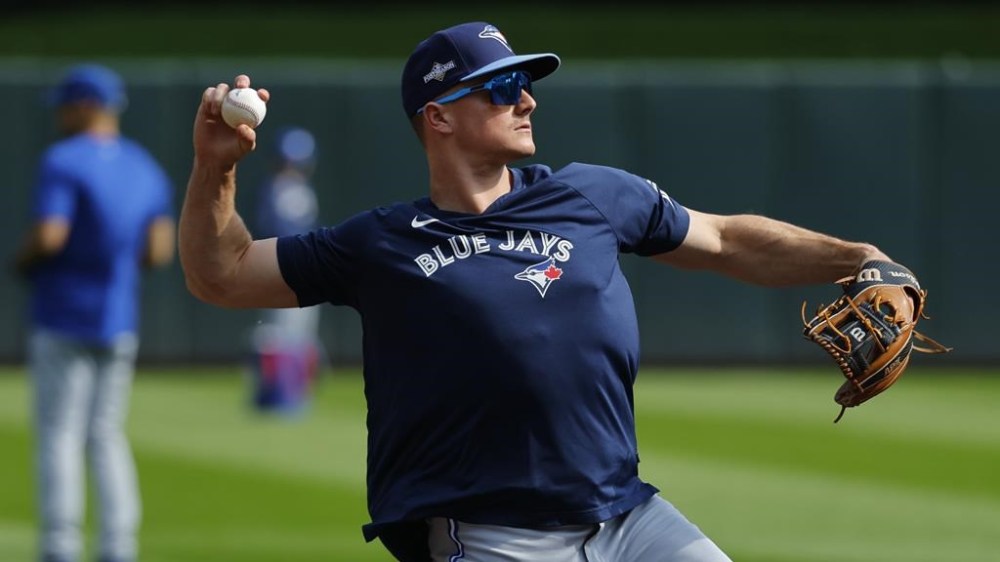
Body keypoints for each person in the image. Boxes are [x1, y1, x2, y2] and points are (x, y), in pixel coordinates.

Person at [178, 22, 895, 562]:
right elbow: (223, 273)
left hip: (628, 519)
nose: (525, 99)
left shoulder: (593, 195)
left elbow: (728, 240)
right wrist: (217, 169)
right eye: (499, 87)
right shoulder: (381, 242)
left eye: (524, 84)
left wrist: (856, 258)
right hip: (491, 535)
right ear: (440, 115)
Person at [15, 63, 175, 562]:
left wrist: (21, 261)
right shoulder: (145, 165)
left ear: (85, 105)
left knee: (60, 434)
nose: (61, 114)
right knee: (106, 435)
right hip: (117, 316)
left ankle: (60, 547)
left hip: (63, 312)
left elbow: (49, 235)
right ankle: (117, 547)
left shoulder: (63, 160)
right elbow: (159, 251)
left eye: (66, 104)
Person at [247, 127, 323, 414]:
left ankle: (287, 395)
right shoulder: (276, 189)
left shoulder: (293, 189)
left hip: (300, 270)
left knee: (293, 336)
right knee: (278, 334)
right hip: (284, 268)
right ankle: (277, 395)